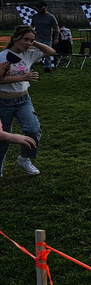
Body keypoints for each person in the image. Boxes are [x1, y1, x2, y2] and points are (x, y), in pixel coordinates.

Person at [0, 25, 55, 176]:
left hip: (23, 99)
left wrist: (33, 42)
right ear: (15, 38)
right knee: (3, 138)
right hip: (3, 102)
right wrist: (22, 78)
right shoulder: (2, 56)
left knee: (33, 130)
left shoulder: (29, 53)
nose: (28, 43)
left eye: (31, 40)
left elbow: (51, 51)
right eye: (25, 39)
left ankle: (24, 159)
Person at [31, 2, 58, 72]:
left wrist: (56, 38)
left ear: (45, 7)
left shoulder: (51, 17)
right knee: (33, 52)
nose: (39, 9)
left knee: (47, 53)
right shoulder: (35, 16)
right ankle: (30, 67)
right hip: (37, 38)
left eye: (40, 7)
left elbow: (56, 27)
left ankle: (47, 67)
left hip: (47, 38)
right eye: (38, 7)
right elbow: (32, 26)